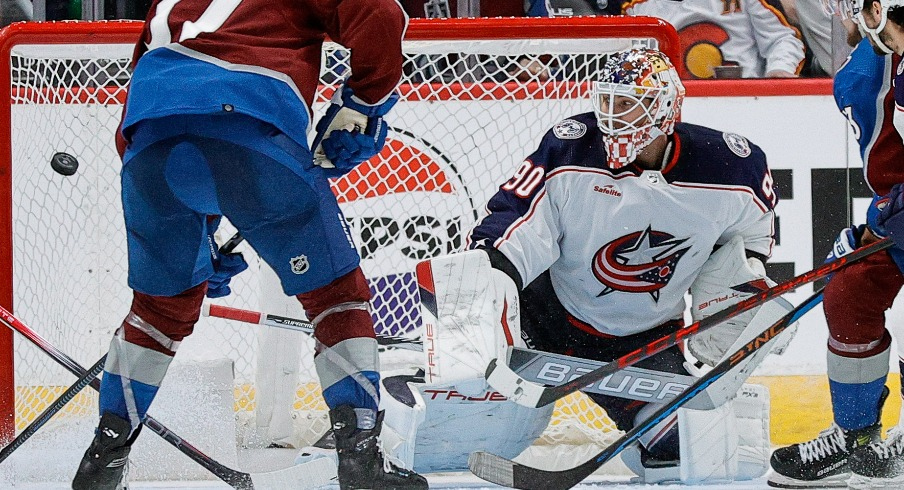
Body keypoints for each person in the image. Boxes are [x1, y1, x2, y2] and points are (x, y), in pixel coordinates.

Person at [70, 1, 428, 489]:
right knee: (335, 295)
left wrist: (201, 232)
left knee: (158, 311)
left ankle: (102, 461)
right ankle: (361, 462)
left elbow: (162, 119)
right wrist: (362, 105)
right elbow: (380, 14)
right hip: (250, 121)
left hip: (148, 147)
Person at [403, 47, 793, 484]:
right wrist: (486, 281)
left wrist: (747, 286)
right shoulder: (572, 148)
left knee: (683, 450)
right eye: (607, 100)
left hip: (644, 340)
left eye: (627, 103)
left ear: (665, 106)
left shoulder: (731, 167)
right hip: (545, 319)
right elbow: (515, 221)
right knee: (478, 412)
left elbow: (752, 237)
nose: (612, 115)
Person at [766, 2, 904, 486]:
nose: (849, 15)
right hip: (899, 209)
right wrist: (883, 220)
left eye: (862, 5)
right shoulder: (880, 56)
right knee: (850, 291)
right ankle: (856, 440)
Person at [622, 0, 805, 79]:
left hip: (746, 100)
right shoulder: (635, 7)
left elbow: (781, 39)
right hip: (670, 107)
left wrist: (779, 70)